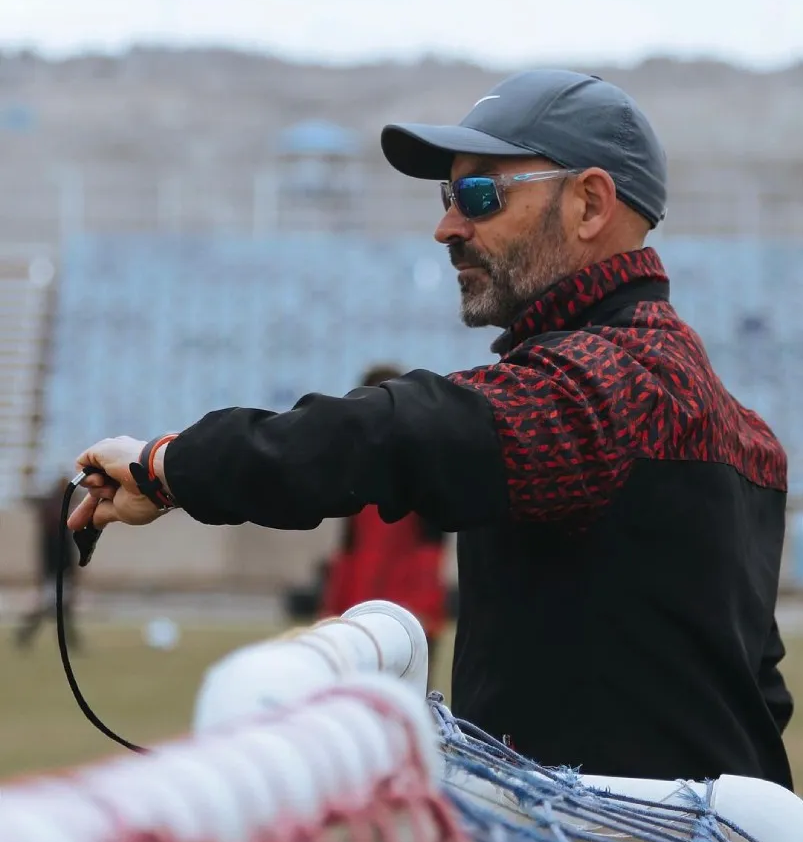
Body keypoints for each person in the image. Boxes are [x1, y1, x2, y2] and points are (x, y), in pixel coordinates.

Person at [68, 69, 794, 788]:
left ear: (589, 203)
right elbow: (757, 695)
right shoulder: (746, 432)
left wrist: (169, 466)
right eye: (449, 196)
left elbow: (395, 431)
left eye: (480, 194)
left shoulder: (603, 382)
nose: (446, 225)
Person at [319, 364, 448, 676]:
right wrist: (333, 606)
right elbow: (348, 545)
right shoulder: (352, 468)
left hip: (409, 602)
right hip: (360, 599)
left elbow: (432, 543)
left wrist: (423, 607)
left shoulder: (426, 463)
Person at [15, 474, 82, 650]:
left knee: (61, 608)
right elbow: (54, 553)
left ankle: (71, 642)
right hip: (55, 573)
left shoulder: (59, 526)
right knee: (52, 607)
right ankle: (25, 634)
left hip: (59, 572)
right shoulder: (54, 529)